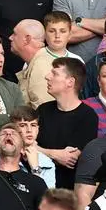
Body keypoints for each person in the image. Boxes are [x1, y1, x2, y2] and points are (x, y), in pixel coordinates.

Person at [36, 57, 98, 189]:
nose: (47, 77)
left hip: (67, 192)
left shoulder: (88, 116)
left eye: (55, 73)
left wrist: (39, 150)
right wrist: (55, 154)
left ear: (70, 82)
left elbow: (69, 158)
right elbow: (27, 146)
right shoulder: (43, 110)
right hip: (39, 185)